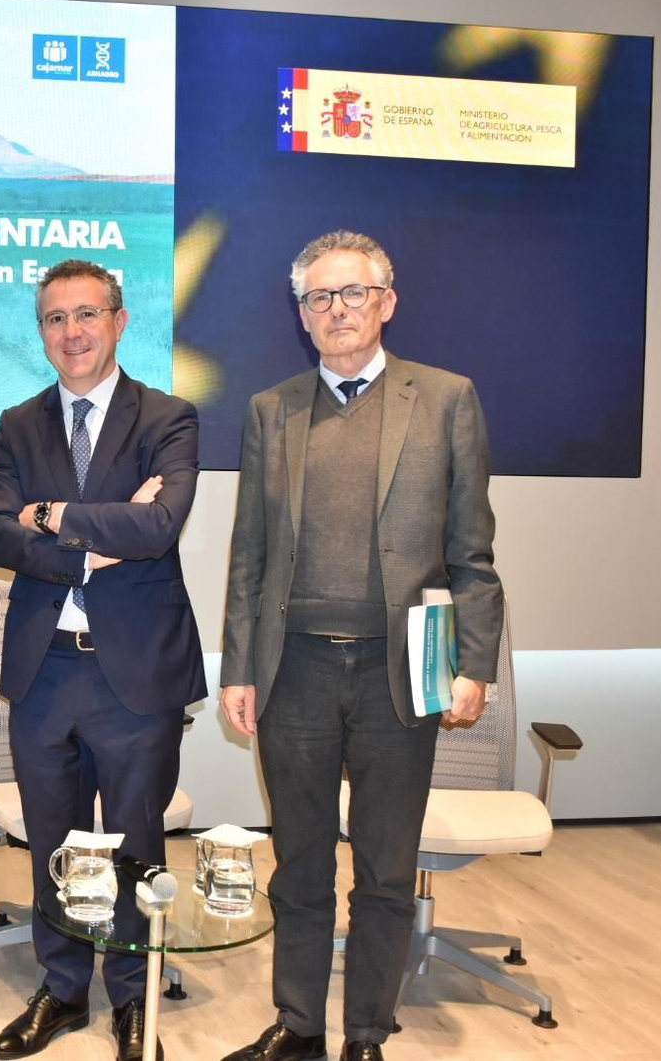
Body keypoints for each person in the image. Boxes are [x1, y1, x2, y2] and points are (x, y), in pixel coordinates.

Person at [217, 230, 503, 1061]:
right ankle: (300, 1025)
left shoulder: (446, 399)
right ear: (302, 314)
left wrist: (474, 663)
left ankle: (367, 1033)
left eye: (353, 293)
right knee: (299, 864)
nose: (336, 310)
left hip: (399, 673)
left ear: (387, 302)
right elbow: (248, 555)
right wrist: (239, 667)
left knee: (385, 869)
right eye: (319, 297)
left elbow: (473, 553)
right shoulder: (271, 410)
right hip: (294, 673)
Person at [0, 258, 206, 1061]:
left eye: (86, 314)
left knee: (136, 842)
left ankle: (134, 994)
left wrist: (48, 515)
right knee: (57, 843)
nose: (71, 332)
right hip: (44, 667)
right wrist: (91, 544)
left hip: (135, 672)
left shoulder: (168, 417)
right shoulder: (17, 423)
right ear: (41, 330)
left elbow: (159, 526)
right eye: (54, 318)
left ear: (119, 321)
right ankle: (64, 987)